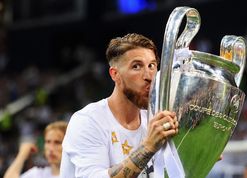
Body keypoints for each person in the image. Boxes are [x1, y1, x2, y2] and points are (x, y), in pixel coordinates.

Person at [60, 33, 179, 178]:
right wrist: (148, 146)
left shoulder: (154, 119)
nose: (149, 76)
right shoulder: (88, 121)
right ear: (115, 74)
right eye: (136, 66)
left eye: (152, 65)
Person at [4, 121, 68, 178]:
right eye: (48, 142)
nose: (51, 148)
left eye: (57, 142)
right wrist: (22, 155)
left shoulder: (76, 174)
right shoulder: (38, 174)